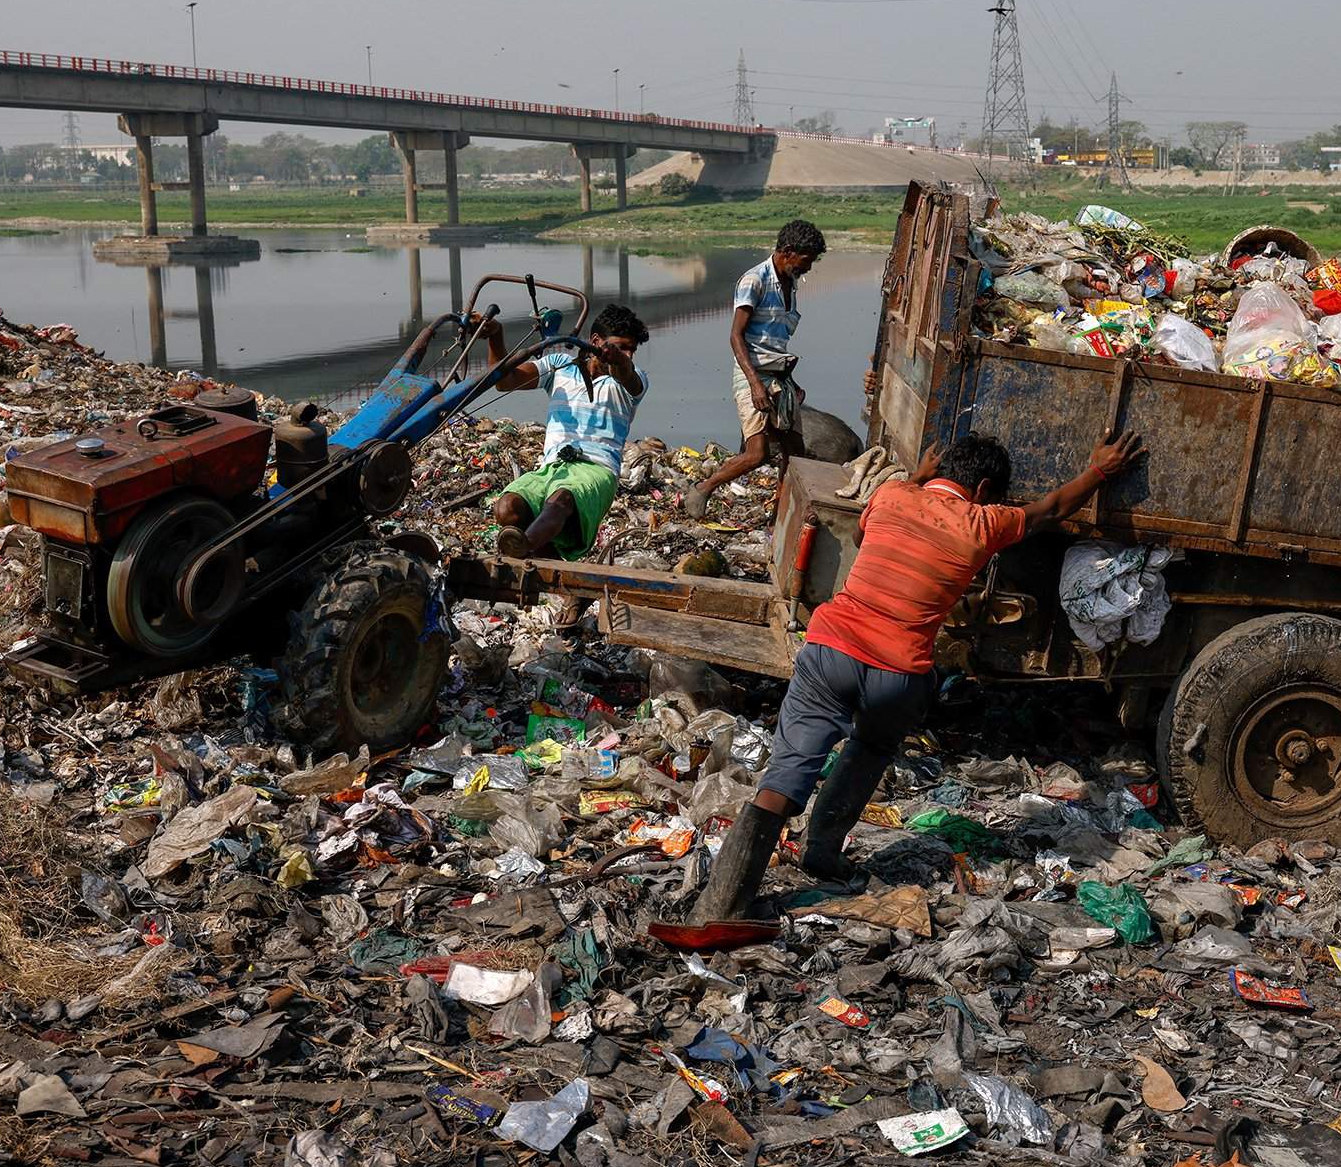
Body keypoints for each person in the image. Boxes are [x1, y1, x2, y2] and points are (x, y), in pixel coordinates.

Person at [689, 426, 1146, 923]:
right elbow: (1053, 508)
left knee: (786, 772)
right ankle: (822, 851)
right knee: (870, 750)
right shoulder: (983, 523)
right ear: (986, 490)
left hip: (832, 651)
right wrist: (1100, 469)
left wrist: (915, 477)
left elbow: (863, 535)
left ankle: (723, 904)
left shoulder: (892, 494)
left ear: (941, 473)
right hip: (899, 674)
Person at [682, 219, 826, 519]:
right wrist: (755, 385)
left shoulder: (790, 283)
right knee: (757, 454)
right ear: (788, 251)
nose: (808, 268)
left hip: (779, 375)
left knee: (796, 453)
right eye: (806, 261)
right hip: (753, 374)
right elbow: (736, 336)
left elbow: (773, 343)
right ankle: (703, 489)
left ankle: (781, 509)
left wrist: (793, 383)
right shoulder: (755, 281)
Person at [486, 303, 650, 560]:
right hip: (553, 466)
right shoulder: (560, 365)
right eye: (621, 347)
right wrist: (495, 335)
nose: (627, 355)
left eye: (632, 350)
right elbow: (504, 381)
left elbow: (626, 374)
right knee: (507, 507)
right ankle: (545, 562)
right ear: (596, 341)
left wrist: (617, 358)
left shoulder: (631, 380)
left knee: (561, 499)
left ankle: (522, 549)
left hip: (596, 470)